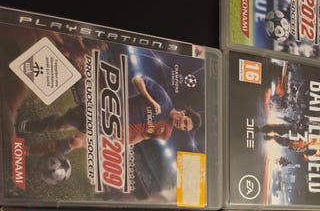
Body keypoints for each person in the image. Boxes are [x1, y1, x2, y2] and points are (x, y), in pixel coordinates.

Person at [17, 74, 202, 156]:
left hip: (109, 132)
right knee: (62, 124)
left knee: (74, 143)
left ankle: (28, 150)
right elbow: (138, 80)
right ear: (184, 113)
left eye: (185, 128)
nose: (182, 125)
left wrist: (123, 145)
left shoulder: (165, 133)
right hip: (106, 109)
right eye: (185, 121)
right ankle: (33, 126)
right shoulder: (163, 98)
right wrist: (151, 100)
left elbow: (143, 136)